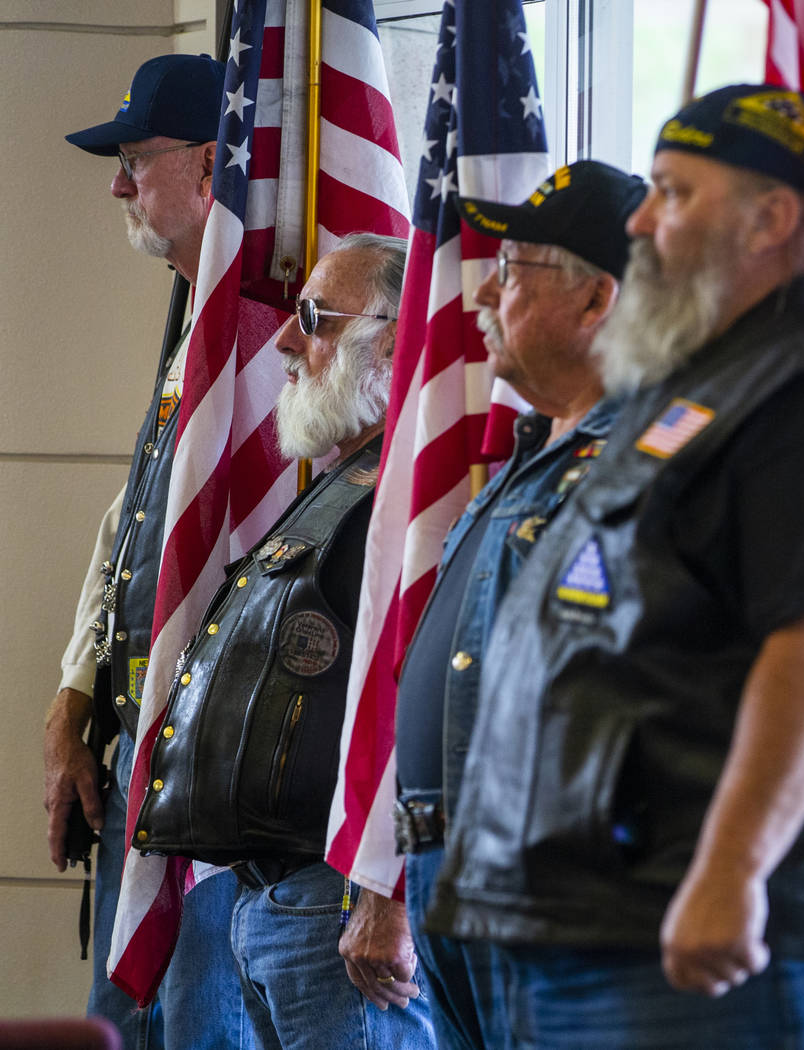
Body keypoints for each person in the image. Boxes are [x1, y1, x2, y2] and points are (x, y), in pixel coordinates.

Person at [426, 84, 804, 1049]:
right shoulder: (693, 397)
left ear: (772, 219)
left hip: (728, 946)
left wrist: (731, 872)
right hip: (594, 926)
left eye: (672, 192)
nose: (639, 221)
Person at [129, 234, 437, 1050]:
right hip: (283, 903)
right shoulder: (347, 485)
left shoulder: (408, 504)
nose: (284, 340)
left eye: (314, 318)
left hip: (341, 908)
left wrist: (390, 894)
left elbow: (425, 714)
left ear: (397, 338)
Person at [392, 160, 645, 1050]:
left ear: (595, 302)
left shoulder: (640, 466)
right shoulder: (540, 451)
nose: (481, 298)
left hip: (538, 883)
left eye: (513, 271)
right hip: (450, 865)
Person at [45, 54, 254, 1049]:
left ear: (212, 163)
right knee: (127, 1023)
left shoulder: (262, 334)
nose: (120, 186)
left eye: (137, 158)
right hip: (145, 747)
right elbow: (138, 516)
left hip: (219, 774)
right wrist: (79, 689)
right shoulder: (193, 320)